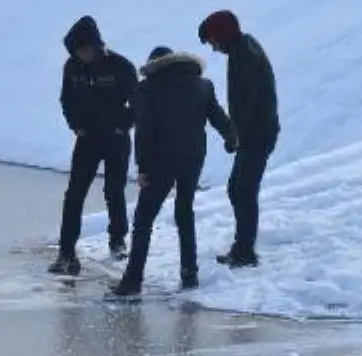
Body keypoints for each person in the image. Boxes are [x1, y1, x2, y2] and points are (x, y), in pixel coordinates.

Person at [107, 47, 237, 300]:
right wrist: (232, 137)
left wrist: (142, 167)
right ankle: (189, 275)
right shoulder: (203, 86)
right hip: (192, 158)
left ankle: (133, 281)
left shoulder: (147, 89)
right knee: (185, 213)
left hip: (160, 162)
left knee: (143, 221)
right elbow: (219, 117)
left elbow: (144, 129)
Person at [48, 16, 138, 276]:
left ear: (96, 45)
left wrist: (124, 126)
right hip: (87, 138)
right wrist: (75, 124)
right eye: (77, 51)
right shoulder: (72, 67)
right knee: (74, 193)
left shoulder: (121, 67)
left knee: (114, 190)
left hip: (116, 138)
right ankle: (66, 252)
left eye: (85, 49)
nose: (82, 54)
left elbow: (138, 102)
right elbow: (66, 99)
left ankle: (118, 239)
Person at [197, 9, 279, 268]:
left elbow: (247, 103)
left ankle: (245, 251)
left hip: (257, 134)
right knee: (240, 189)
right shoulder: (245, 47)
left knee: (242, 190)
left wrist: (237, 136)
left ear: (222, 35)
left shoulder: (244, 56)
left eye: (212, 41)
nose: (213, 48)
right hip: (257, 132)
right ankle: (243, 247)